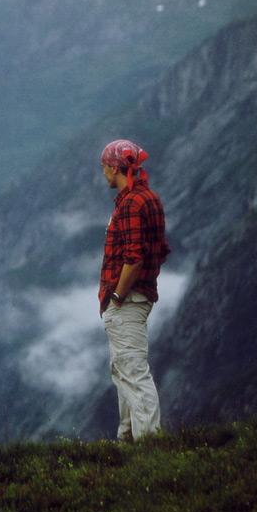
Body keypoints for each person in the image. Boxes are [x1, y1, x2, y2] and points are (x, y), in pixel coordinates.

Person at [98, 139, 170, 442]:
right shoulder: (149, 198)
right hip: (142, 296)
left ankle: (149, 445)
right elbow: (159, 251)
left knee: (133, 372)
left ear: (115, 167)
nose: (103, 173)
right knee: (125, 371)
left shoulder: (129, 205)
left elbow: (134, 257)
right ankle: (127, 440)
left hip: (127, 301)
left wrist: (117, 296)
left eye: (104, 167)